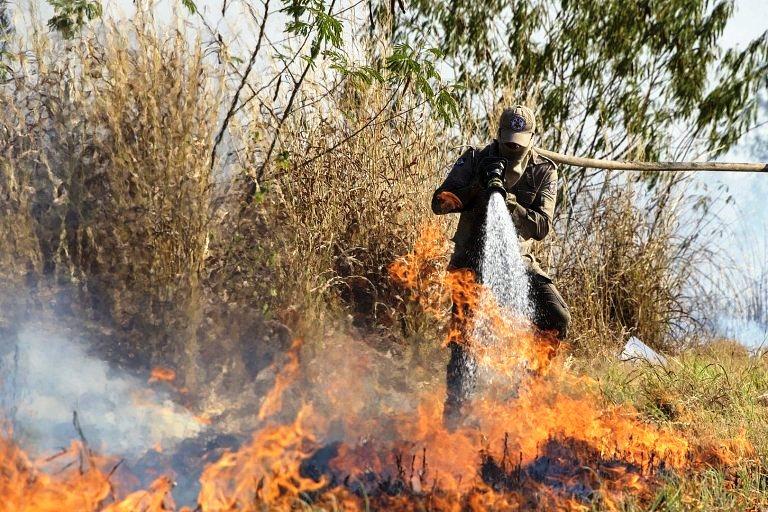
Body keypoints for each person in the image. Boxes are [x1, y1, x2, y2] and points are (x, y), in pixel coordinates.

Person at [431, 105, 571, 426]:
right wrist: (477, 187)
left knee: (557, 315)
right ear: (499, 136)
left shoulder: (543, 171)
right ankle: (454, 422)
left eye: (518, 144)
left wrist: (509, 203)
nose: (512, 149)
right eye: (507, 142)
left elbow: (541, 226)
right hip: (470, 262)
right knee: (465, 343)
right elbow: (439, 202)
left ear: (530, 140)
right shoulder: (476, 159)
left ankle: (523, 392)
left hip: (517, 262)